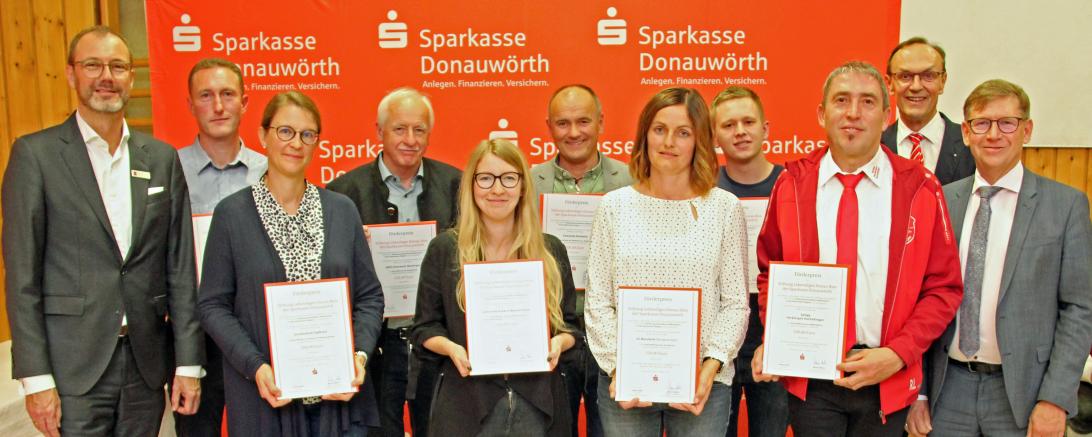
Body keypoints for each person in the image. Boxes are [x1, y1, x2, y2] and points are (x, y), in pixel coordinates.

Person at [2, 25, 203, 436]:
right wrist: (36, 378)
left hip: (146, 364)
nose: (106, 76)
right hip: (72, 369)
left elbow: (180, 268)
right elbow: (21, 277)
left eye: (117, 66)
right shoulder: (36, 156)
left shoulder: (161, 158)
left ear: (132, 77)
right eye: (93, 65)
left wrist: (187, 363)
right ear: (73, 74)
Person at [751, 61, 964, 437]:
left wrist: (898, 354)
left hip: (886, 374)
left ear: (886, 116)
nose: (853, 113)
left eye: (867, 102)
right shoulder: (792, 184)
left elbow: (943, 288)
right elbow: (770, 271)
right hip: (811, 377)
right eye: (841, 100)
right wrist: (779, 334)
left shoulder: (919, 188)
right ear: (821, 114)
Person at [906, 80, 1092, 437]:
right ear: (966, 132)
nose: (994, 134)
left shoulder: (1065, 206)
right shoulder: (940, 201)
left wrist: (1055, 398)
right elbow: (919, 299)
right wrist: (921, 391)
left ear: (1027, 130)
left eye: (1007, 123)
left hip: (1025, 392)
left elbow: (1080, 309)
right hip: (948, 389)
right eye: (982, 123)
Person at [198, 91, 383, 436]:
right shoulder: (231, 215)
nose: (295, 143)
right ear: (262, 135)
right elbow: (212, 305)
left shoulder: (342, 211)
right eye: (285, 131)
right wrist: (256, 367)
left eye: (307, 134)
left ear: (316, 143)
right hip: (264, 404)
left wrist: (358, 357)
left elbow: (370, 297)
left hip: (338, 408)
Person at [585, 87, 750, 436]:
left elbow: (735, 303)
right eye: (659, 129)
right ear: (645, 135)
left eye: (683, 132)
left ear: (700, 141)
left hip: (703, 385)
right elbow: (598, 301)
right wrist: (619, 370)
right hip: (626, 385)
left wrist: (709, 370)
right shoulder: (614, 207)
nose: (669, 142)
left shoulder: (725, 208)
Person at [411, 139, 579, 437]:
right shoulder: (445, 249)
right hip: (466, 404)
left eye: (509, 178)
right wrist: (452, 348)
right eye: (486, 178)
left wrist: (559, 343)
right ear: (471, 186)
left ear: (523, 186)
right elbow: (424, 327)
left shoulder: (551, 250)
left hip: (538, 404)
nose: (497, 189)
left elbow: (572, 328)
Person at [326, 86, 460, 437]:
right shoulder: (343, 192)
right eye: (400, 129)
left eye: (419, 130)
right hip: (376, 344)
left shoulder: (455, 185)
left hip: (436, 341)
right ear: (379, 132)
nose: (410, 139)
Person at [531, 83, 631, 437]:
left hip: (616, 330)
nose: (573, 133)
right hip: (553, 331)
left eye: (583, 121)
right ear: (549, 127)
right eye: (562, 123)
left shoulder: (633, 180)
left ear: (601, 122)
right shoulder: (526, 184)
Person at [174, 57, 267, 436]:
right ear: (190, 104)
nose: (218, 106)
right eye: (206, 95)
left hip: (257, 334)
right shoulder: (170, 170)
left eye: (228, 94)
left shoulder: (271, 171)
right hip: (192, 338)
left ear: (245, 102)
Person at [710, 86, 788, 437]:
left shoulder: (792, 186)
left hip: (774, 329)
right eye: (728, 125)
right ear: (714, 136)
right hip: (717, 329)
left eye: (748, 122)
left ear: (766, 129)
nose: (739, 131)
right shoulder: (703, 190)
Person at [881, 37, 975, 185]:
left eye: (928, 76)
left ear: (942, 81)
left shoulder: (971, 144)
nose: (916, 86)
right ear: (890, 84)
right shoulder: (874, 146)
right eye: (905, 76)